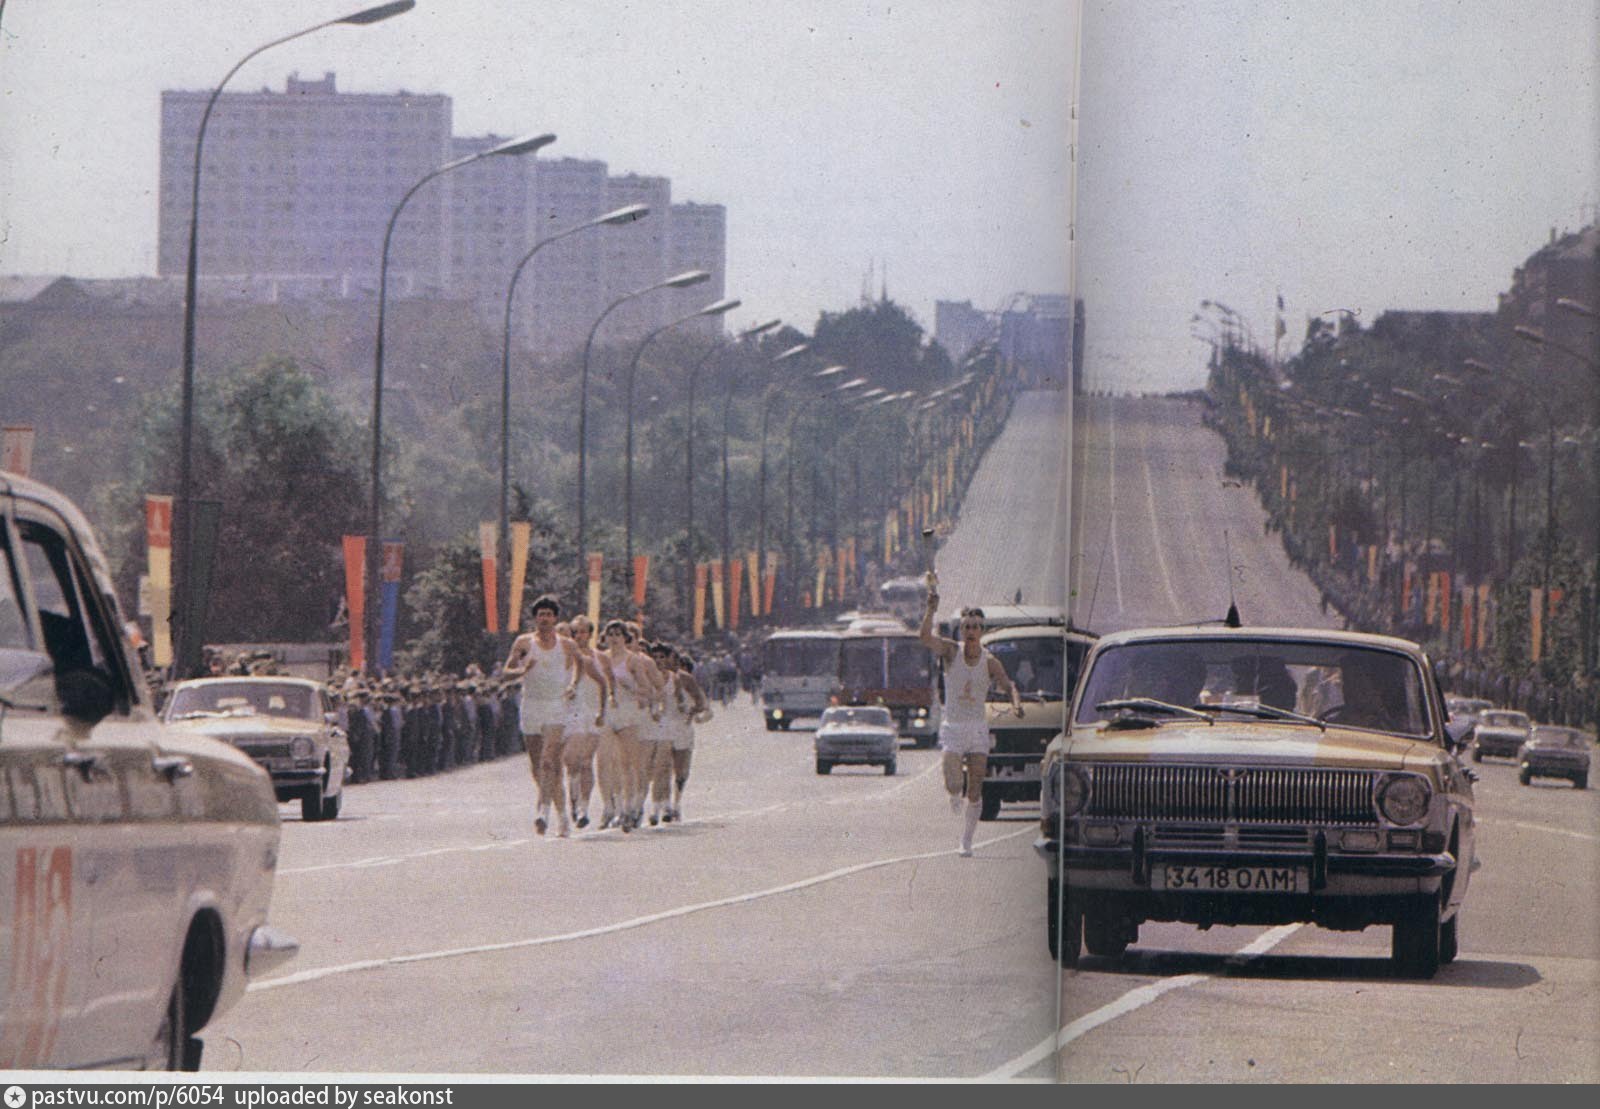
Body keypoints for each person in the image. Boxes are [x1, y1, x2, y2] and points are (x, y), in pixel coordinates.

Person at [918, 581, 1022, 856]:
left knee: (975, 788)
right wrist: (931, 609)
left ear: (982, 631)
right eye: (967, 626)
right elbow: (925, 637)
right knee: (954, 783)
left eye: (976, 626)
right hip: (953, 727)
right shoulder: (951, 652)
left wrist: (1016, 702)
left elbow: (1008, 684)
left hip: (977, 729)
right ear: (961, 630)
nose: (972, 630)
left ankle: (966, 840)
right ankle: (954, 794)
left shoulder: (990, 661)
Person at [503, 595, 599, 837]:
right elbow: (506, 671)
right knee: (538, 766)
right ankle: (562, 814)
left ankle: (542, 812)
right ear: (535, 618)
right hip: (532, 705)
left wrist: (573, 685)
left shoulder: (566, 644)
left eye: (548, 614)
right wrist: (522, 670)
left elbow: (580, 665)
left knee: (549, 761)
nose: (544, 619)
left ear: (555, 618)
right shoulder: (524, 642)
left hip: (556, 706)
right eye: (540, 614)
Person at [560, 615, 608, 829]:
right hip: (570, 713)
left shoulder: (594, 659)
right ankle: (574, 799)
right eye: (576, 632)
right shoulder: (564, 657)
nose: (580, 636)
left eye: (583, 631)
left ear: (590, 633)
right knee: (571, 761)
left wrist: (602, 711)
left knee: (586, 762)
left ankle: (583, 808)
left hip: (590, 712)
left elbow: (605, 684)